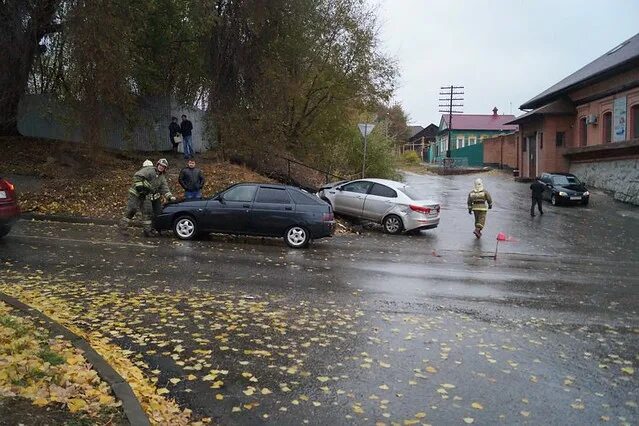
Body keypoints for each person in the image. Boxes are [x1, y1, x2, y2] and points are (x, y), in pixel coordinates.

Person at [121, 158, 176, 237]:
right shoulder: (150, 170)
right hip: (135, 193)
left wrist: (170, 197)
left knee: (147, 212)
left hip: (145, 195)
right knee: (131, 209)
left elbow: (165, 188)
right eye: (160, 165)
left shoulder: (162, 178)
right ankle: (123, 227)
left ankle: (147, 231)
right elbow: (137, 176)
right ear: (157, 165)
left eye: (163, 166)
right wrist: (140, 188)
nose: (161, 167)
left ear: (165, 168)